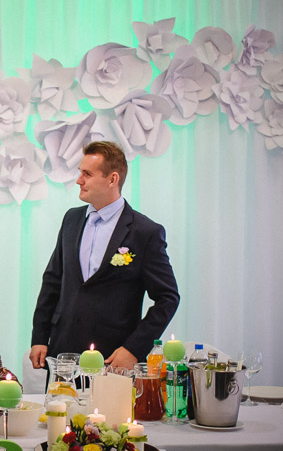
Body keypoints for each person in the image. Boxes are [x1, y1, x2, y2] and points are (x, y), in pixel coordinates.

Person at [30, 141, 179, 373]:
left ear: (112, 179)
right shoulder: (71, 219)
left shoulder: (145, 232)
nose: (79, 180)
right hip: (63, 354)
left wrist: (133, 349)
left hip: (113, 358)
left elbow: (168, 298)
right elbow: (52, 280)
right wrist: (40, 336)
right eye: (80, 172)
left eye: (87, 174)